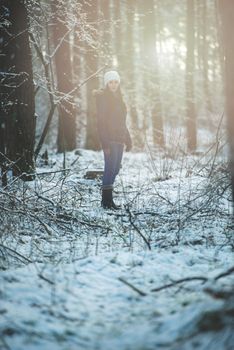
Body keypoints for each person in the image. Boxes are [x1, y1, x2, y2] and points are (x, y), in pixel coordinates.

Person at [95, 70, 132, 209]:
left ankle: (108, 199)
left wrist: (128, 139)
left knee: (116, 169)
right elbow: (101, 123)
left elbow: (123, 121)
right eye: (111, 82)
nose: (114, 85)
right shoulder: (103, 99)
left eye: (116, 82)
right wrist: (104, 142)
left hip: (120, 139)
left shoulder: (120, 99)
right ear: (106, 83)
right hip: (109, 139)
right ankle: (106, 201)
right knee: (109, 168)